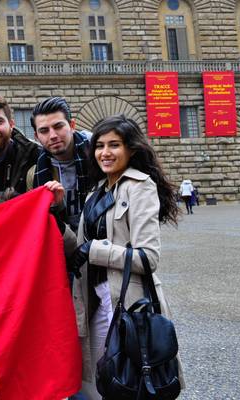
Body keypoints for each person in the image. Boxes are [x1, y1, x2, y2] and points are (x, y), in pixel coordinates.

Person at [68, 115, 180, 399]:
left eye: (114, 145)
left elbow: (147, 257)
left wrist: (93, 251)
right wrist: (54, 217)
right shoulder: (96, 192)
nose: (105, 153)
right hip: (94, 300)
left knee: (130, 384)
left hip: (128, 303)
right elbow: (81, 246)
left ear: (131, 149)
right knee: (102, 383)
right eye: (99, 145)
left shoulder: (140, 186)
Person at [31, 96, 92, 232]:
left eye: (58, 126)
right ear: (36, 136)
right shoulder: (33, 173)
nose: (52, 135)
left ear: (72, 126)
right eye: (44, 131)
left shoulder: (98, 155)